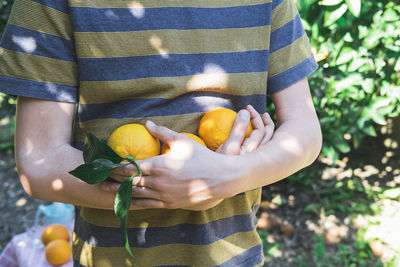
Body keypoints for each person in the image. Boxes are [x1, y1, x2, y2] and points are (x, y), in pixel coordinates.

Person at [0, 0, 322, 266]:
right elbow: (40, 163)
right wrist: (165, 188)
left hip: (236, 257)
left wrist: (232, 175)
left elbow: (305, 131)